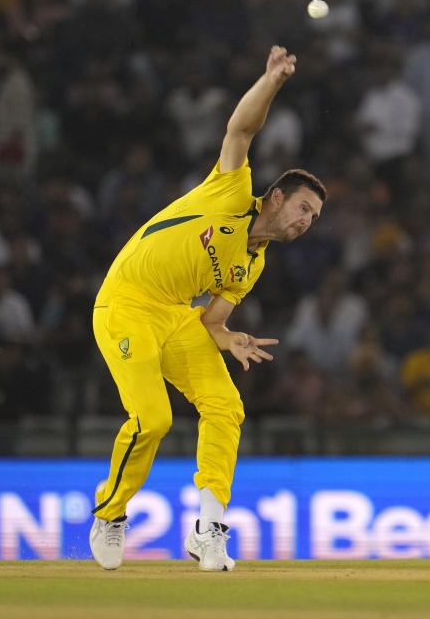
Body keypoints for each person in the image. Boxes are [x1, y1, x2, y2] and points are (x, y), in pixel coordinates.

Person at [89, 46, 325, 572]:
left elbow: (212, 319)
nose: (309, 221)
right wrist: (270, 82)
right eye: (305, 208)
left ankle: (209, 529)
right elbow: (240, 131)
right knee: (152, 419)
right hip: (125, 303)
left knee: (226, 406)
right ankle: (110, 513)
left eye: (316, 216)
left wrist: (230, 337)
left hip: (174, 315)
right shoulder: (232, 191)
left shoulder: (253, 264)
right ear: (275, 199)